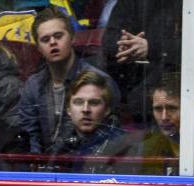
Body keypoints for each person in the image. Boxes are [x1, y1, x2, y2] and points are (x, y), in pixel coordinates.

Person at [19, 6, 119, 154]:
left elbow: (112, 135)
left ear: (72, 38)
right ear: (39, 48)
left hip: (89, 166)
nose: (53, 42)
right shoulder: (33, 86)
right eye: (45, 39)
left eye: (58, 36)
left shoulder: (100, 82)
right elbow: (31, 137)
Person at [46, 70, 133, 173]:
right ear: (68, 109)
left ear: (107, 110)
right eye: (78, 102)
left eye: (94, 103)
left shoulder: (123, 146)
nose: (85, 109)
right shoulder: (60, 144)